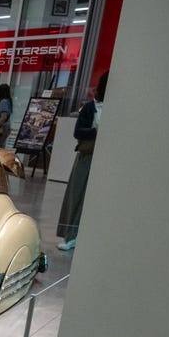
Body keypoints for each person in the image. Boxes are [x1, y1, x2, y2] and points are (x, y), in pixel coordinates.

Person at [56, 71, 108, 251]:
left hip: (107, 161)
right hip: (87, 156)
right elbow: (78, 132)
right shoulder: (90, 108)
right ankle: (71, 235)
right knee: (77, 195)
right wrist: (96, 131)